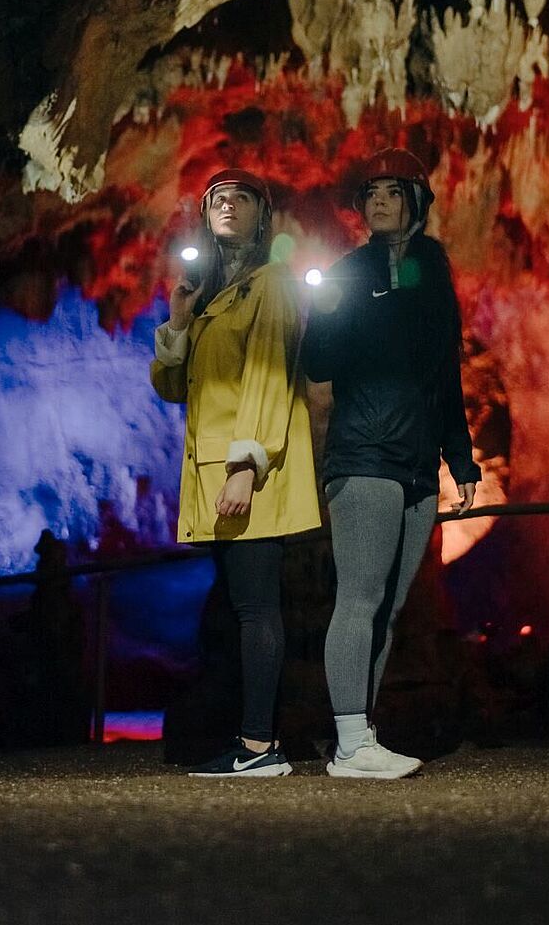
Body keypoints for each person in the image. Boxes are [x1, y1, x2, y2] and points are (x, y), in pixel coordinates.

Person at [303, 149, 480, 779]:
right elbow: (320, 363)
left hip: (416, 465)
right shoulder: (350, 271)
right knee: (359, 597)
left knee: (390, 607)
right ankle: (351, 742)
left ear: (415, 199)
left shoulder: (431, 269)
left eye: (391, 191)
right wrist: (323, 312)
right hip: (365, 455)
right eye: (370, 191)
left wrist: (459, 460)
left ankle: (361, 735)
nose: (377, 200)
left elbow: (444, 374)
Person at [151, 167, 320, 777]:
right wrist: (177, 321)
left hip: (250, 473)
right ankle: (246, 740)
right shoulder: (210, 296)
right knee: (236, 609)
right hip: (214, 475)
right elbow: (175, 386)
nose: (227, 206)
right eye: (218, 199)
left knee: (255, 608)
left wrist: (246, 466)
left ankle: (259, 748)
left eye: (240, 199)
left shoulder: (271, 283)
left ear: (261, 213)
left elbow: (268, 376)